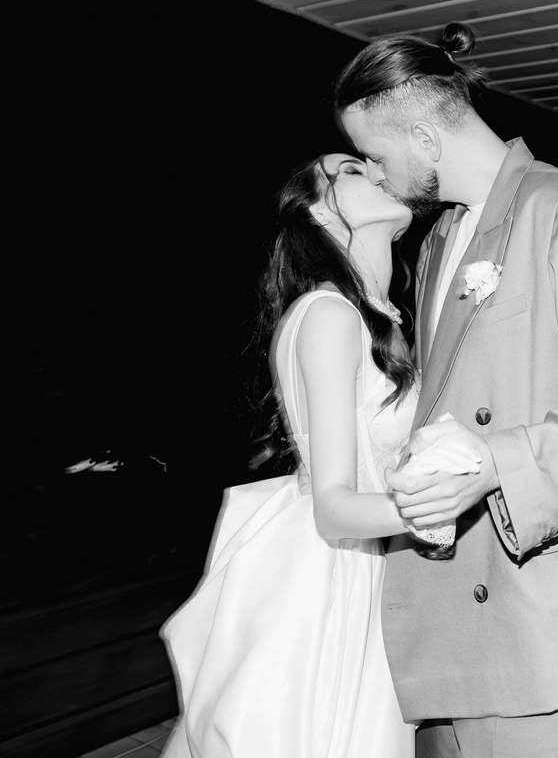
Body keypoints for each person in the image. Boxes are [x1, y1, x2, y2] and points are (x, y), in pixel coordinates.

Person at [334, 23, 558, 757]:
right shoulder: (436, 242)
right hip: (453, 593)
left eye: (375, 156)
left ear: (425, 137)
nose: (376, 174)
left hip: (544, 599)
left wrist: (495, 465)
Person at [161, 154, 478, 757]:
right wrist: (448, 499)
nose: (377, 171)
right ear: (317, 211)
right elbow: (333, 509)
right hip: (334, 575)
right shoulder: (330, 314)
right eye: (351, 170)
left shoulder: (371, 316)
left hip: (372, 559)